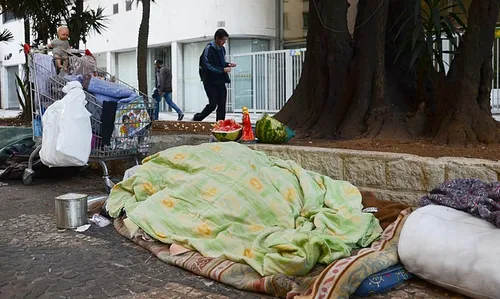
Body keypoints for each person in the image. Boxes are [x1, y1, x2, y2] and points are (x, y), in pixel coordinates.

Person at [193, 28, 236, 121]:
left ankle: (220, 124)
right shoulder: (209, 49)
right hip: (209, 81)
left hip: (220, 80)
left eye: (225, 40)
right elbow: (208, 65)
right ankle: (197, 118)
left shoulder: (222, 49)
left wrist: (228, 64)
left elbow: (220, 63)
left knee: (222, 104)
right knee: (213, 104)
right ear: (217, 38)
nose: (224, 42)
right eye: (223, 40)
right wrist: (223, 70)